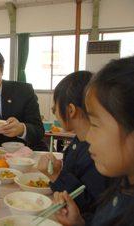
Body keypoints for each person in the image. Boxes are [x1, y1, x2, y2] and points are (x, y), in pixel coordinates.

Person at [54, 56, 134, 226]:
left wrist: (57, 175)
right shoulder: (122, 187)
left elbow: (89, 200)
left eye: (95, 124)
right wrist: (80, 223)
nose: (88, 137)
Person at [37, 71, 108, 220]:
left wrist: (56, 175)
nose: (55, 112)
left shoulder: (98, 151)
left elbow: (89, 203)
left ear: (70, 110)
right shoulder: (78, 140)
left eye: (54, 108)